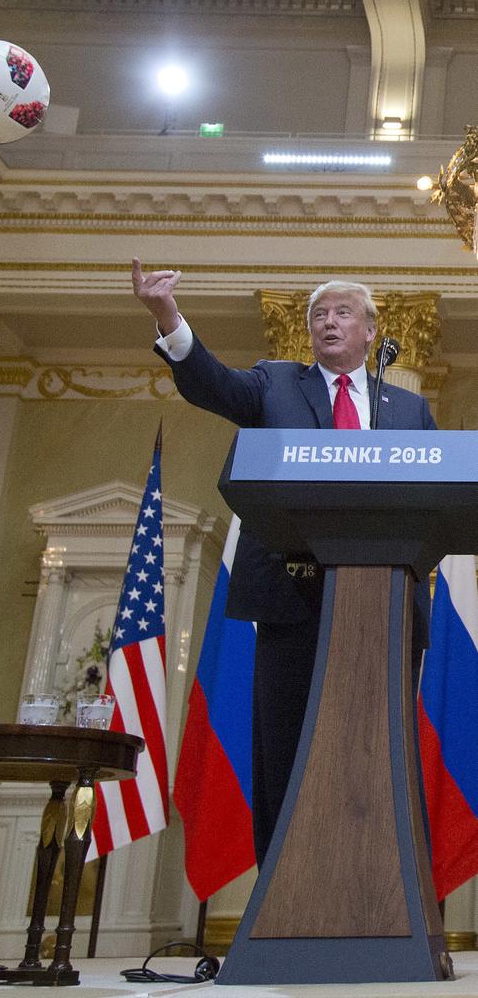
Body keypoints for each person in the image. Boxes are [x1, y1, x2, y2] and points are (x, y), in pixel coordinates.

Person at [131, 257, 436, 867]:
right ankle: (281, 899)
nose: (328, 323)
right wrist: (168, 314)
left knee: (379, 750)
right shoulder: (275, 384)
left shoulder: (407, 413)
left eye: (343, 313)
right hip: (291, 600)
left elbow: (431, 502)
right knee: (287, 750)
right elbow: (213, 383)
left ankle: (386, 891)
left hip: (384, 605)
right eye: (318, 314)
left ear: (371, 331)